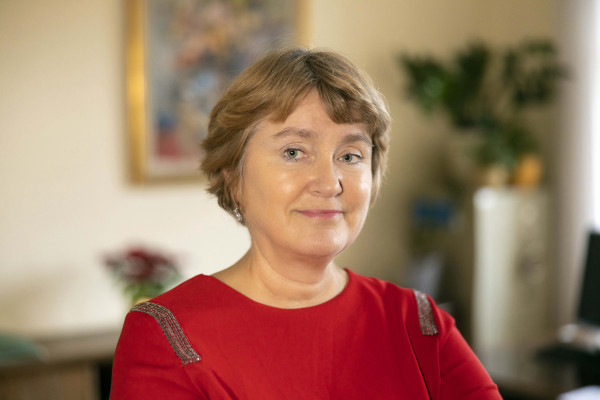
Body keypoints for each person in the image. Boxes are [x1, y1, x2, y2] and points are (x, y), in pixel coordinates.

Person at [110, 47, 502, 399]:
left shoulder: (419, 323)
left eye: (350, 156)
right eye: (294, 152)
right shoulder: (167, 335)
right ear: (233, 176)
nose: (329, 183)